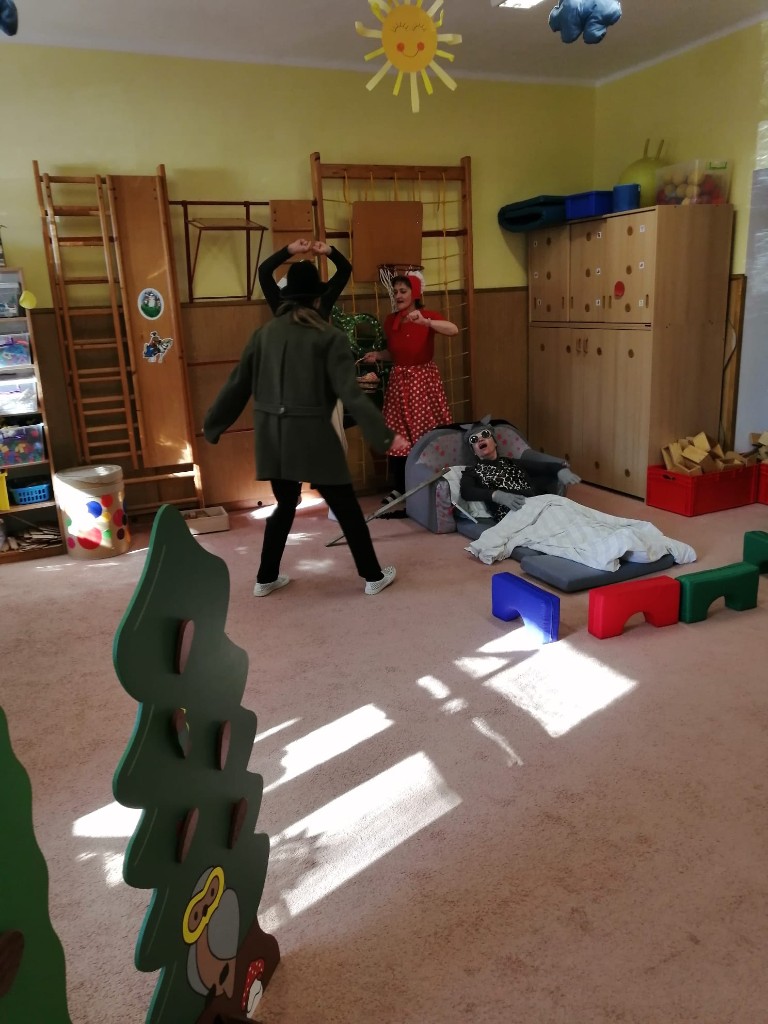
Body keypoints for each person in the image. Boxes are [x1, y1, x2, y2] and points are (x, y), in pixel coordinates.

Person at [203, 258, 405, 597]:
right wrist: (383, 435)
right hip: (313, 437)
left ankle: (265, 578)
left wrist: (213, 425)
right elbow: (351, 394)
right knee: (346, 508)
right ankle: (373, 576)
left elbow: (237, 384)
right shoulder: (328, 336)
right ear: (317, 298)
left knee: (284, 505)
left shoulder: (264, 334)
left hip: (273, 437)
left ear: (286, 297)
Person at [259, 237, 352, 520]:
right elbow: (345, 270)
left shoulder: (291, 304)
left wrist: (291, 250)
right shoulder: (300, 304)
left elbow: (264, 271)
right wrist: (327, 251)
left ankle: (316, 494)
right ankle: (299, 492)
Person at [360, 272, 458, 514]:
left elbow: (453, 329)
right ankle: (399, 487)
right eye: (395, 292)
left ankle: (431, 483)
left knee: (426, 432)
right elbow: (396, 352)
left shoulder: (427, 316)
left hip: (423, 382)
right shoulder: (390, 321)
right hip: (399, 383)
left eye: (403, 291)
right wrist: (378, 355)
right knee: (397, 434)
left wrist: (426, 322)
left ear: (414, 293)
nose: (398, 296)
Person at [460, 419, 581, 522]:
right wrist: (495, 495)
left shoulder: (512, 462)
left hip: (538, 505)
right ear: (474, 451)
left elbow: (545, 467)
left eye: (485, 434)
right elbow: (466, 491)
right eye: (474, 439)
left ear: (495, 442)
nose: (480, 439)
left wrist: (560, 469)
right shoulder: (473, 471)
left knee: (576, 516)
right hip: (513, 517)